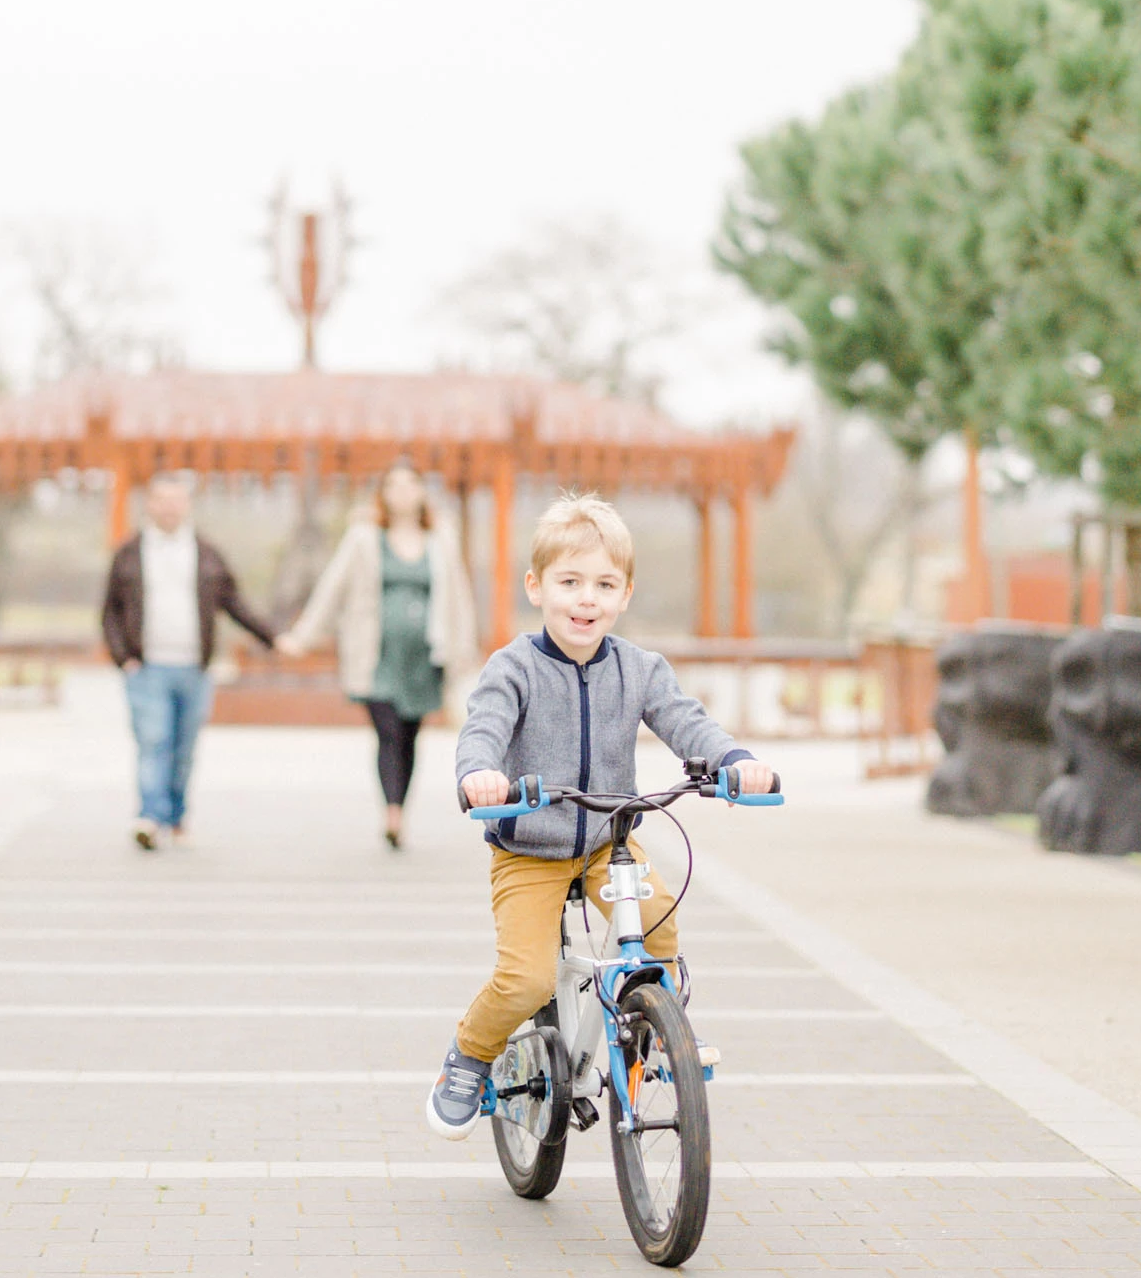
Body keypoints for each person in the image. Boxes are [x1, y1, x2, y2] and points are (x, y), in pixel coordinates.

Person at [425, 489, 777, 1137]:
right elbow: (484, 728)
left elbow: (685, 721)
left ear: (625, 594)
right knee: (526, 978)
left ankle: (654, 1032)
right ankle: (469, 1056)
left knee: (658, 924)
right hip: (529, 845)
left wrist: (732, 761)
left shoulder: (640, 669)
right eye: (569, 581)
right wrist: (480, 775)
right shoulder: (515, 668)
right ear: (536, 586)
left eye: (603, 584)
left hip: (607, 842)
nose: (586, 598)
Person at [277, 457, 478, 846]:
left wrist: (463, 649)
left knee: (408, 734)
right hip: (377, 654)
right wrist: (303, 637)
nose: (402, 493)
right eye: (393, 485)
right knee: (387, 730)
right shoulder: (365, 537)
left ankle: (399, 806)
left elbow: (459, 596)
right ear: (383, 494)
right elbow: (332, 589)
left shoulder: (441, 539)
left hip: (423, 657)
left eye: (410, 484)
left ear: (422, 492)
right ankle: (392, 813)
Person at [101, 468, 276, 850]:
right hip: (146, 666)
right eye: (161, 500)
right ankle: (149, 814)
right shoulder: (129, 554)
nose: (169, 508)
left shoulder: (206, 553)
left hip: (194, 668)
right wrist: (123, 658)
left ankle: (176, 815)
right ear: (149, 504)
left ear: (187, 505)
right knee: (153, 739)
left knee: (182, 748)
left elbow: (234, 603)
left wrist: (272, 637)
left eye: (176, 500)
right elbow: (110, 611)